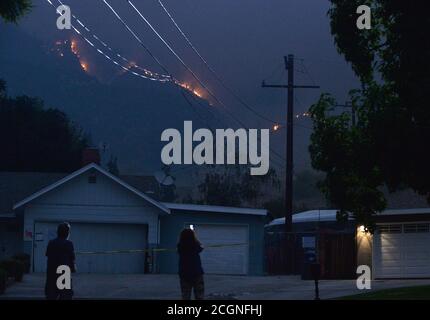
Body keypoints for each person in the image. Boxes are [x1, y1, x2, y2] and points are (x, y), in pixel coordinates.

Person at [45, 222, 76, 300]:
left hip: (52, 274)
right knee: (65, 296)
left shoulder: (51, 243)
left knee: (51, 296)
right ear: (67, 233)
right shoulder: (69, 244)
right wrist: (73, 268)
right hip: (64, 275)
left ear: (57, 232)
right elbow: (72, 259)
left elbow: (48, 256)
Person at [177, 228, 205, 300]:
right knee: (199, 295)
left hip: (184, 273)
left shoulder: (180, 246)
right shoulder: (196, 245)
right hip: (197, 272)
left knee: (185, 295)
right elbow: (202, 247)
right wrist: (195, 238)